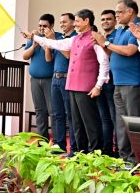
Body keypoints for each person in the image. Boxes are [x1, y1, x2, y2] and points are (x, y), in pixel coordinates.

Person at [24, 9, 109, 153]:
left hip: (86, 88)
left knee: (90, 123)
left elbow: (104, 62)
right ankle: (79, 152)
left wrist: (98, 85)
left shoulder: (94, 38)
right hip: (72, 86)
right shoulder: (75, 39)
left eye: (77, 21)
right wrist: (33, 37)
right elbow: (55, 44)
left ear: (86, 21)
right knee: (76, 123)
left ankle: (95, 154)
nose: (75, 24)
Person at [92, 0, 140, 162]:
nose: (116, 15)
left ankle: (137, 161)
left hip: (134, 82)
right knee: (120, 123)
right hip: (118, 82)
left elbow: (130, 51)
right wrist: (101, 44)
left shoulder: (137, 27)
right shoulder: (119, 31)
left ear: (130, 11)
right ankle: (125, 158)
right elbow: (112, 52)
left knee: (134, 123)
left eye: (119, 12)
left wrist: (107, 43)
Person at [22, 14, 55, 142]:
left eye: (45, 26)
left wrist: (43, 40)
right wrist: (33, 45)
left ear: (51, 26)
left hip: (50, 80)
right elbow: (25, 56)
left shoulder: (54, 38)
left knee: (52, 111)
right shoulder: (34, 39)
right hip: (35, 80)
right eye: (40, 25)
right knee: (39, 110)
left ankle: (57, 141)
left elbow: (49, 59)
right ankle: (42, 140)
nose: (42, 28)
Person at [50, 13, 77, 156]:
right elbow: (49, 58)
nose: (62, 25)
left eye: (64, 22)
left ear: (73, 23)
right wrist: (50, 43)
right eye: (60, 22)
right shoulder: (59, 38)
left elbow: (68, 55)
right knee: (57, 114)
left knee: (70, 115)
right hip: (55, 77)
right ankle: (59, 145)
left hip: (67, 78)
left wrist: (55, 41)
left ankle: (73, 148)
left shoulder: (75, 38)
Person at [97, 9, 118, 156]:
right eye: (103, 19)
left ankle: (119, 150)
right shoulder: (102, 37)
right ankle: (107, 149)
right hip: (100, 81)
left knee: (114, 117)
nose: (105, 22)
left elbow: (108, 54)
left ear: (115, 21)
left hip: (112, 80)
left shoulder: (117, 35)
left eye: (109, 19)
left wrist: (102, 42)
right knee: (104, 118)